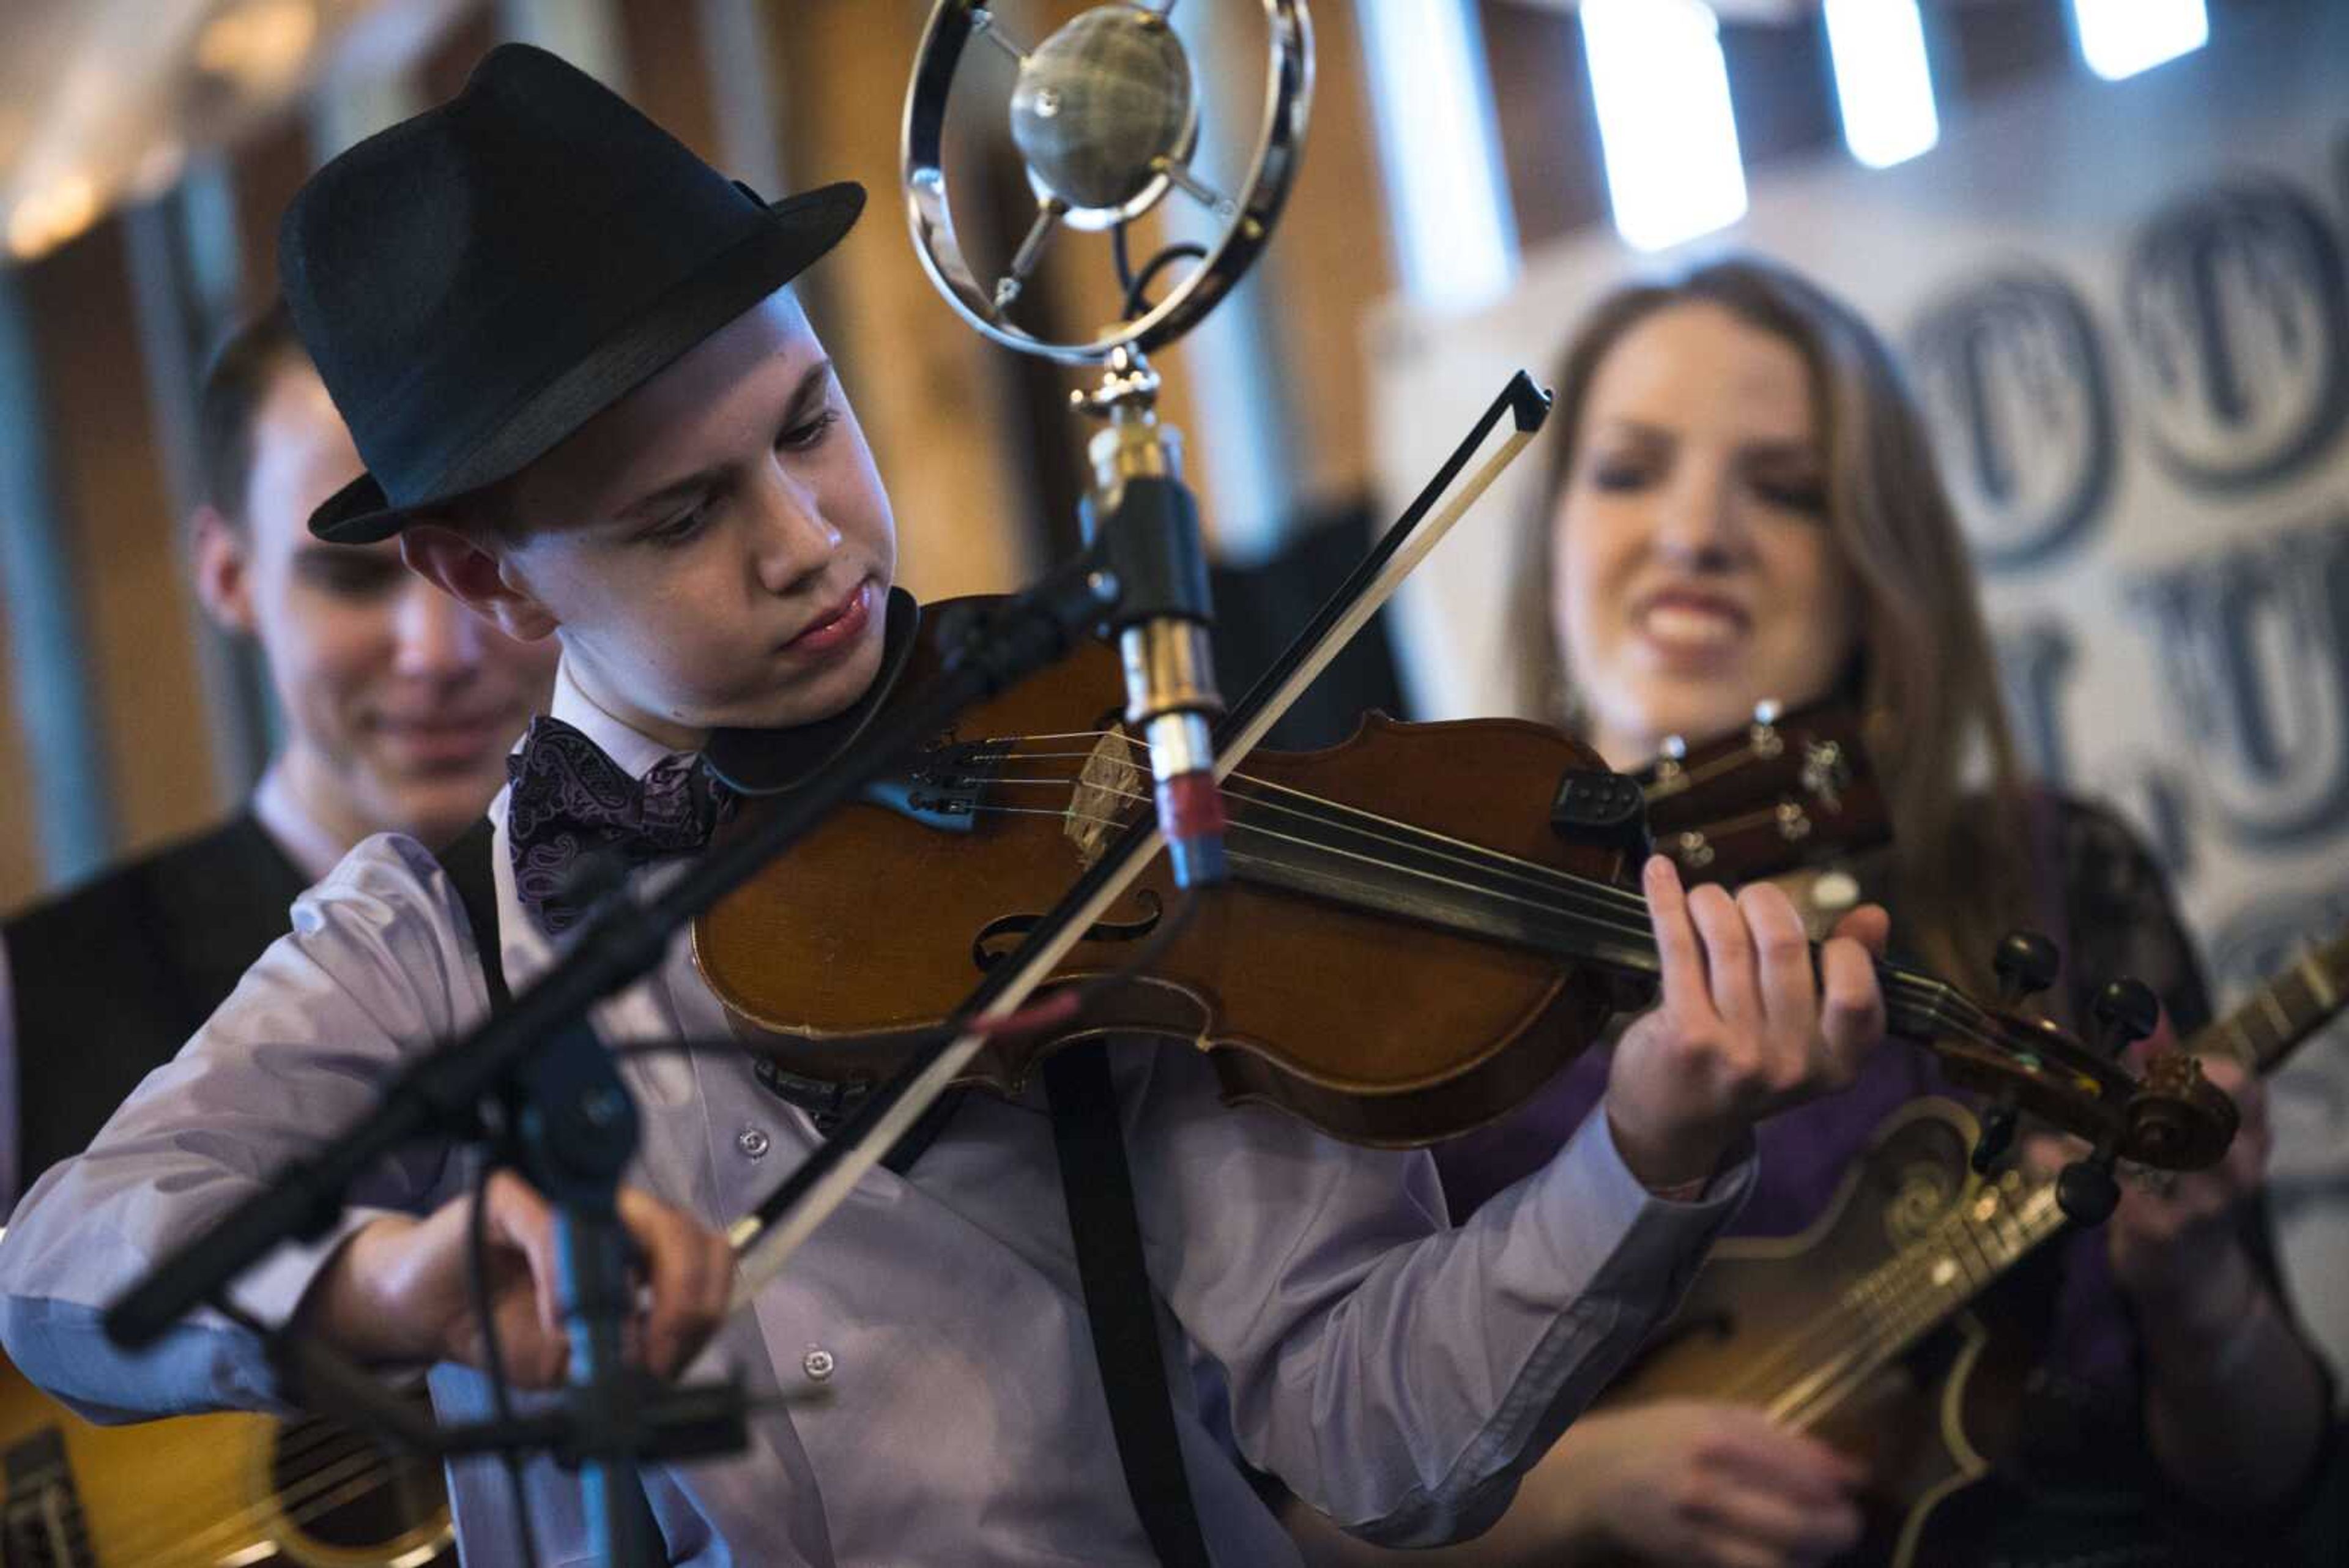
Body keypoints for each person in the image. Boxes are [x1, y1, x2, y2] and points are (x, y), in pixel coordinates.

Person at [0, 48, 1895, 1566]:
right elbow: (70, 1254)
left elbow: (1377, 1435)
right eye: (682, 515)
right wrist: (378, 1279)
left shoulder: (1121, 793)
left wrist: (1644, 1151)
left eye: (811, 425)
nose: (808, 538)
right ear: (485, 579)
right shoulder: (424, 934)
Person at [1285, 257, 2332, 1568]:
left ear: (1870, 568)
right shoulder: (1409, 972)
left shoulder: (2052, 870)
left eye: (1783, 491)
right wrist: (1568, 1488)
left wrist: (2201, 1298)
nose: (1695, 532)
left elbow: (2270, 1484)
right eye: (1628, 473)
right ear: (1551, 538)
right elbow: (1267, 1504)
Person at [0, 305, 557, 1211]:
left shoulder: (709, 909)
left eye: (489, 562)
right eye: (353, 577)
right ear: (228, 576)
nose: (439, 650)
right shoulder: (32, 1002)